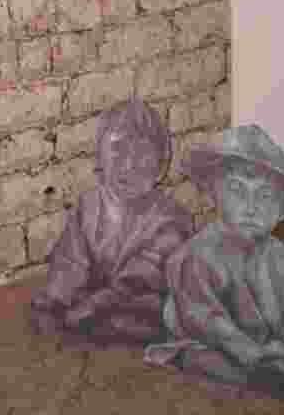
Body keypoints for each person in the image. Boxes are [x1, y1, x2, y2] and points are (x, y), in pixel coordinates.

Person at [144, 125, 284, 400]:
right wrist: (256, 356)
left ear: (282, 209)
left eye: (265, 195)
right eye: (237, 190)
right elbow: (209, 322)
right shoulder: (195, 256)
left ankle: (279, 379)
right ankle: (266, 381)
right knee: (202, 360)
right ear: (213, 194)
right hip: (216, 350)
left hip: (275, 356)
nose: (251, 206)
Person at [31, 97, 194, 345]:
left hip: (143, 309)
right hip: (92, 308)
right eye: (118, 150)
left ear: (161, 163)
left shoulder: (172, 217)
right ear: (100, 159)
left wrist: (97, 303)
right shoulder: (88, 207)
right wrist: (57, 296)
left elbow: (146, 272)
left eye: (142, 153)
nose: (128, 165)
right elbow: (70, 260)